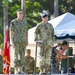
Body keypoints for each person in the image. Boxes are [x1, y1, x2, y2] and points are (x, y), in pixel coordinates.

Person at [10, 9, 28, 73]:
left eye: (21, 14)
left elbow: (26, 32)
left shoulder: (25, 21)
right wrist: (12, 42)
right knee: (15, 56)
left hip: (23, 41)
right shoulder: (13, 22)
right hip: (16, 41)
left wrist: (27, 40)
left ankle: (21, 69)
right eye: (19, 14)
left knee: (22, 56)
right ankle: (16, 69)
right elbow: (11, 32)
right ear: (17, 14)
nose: (21, 15)